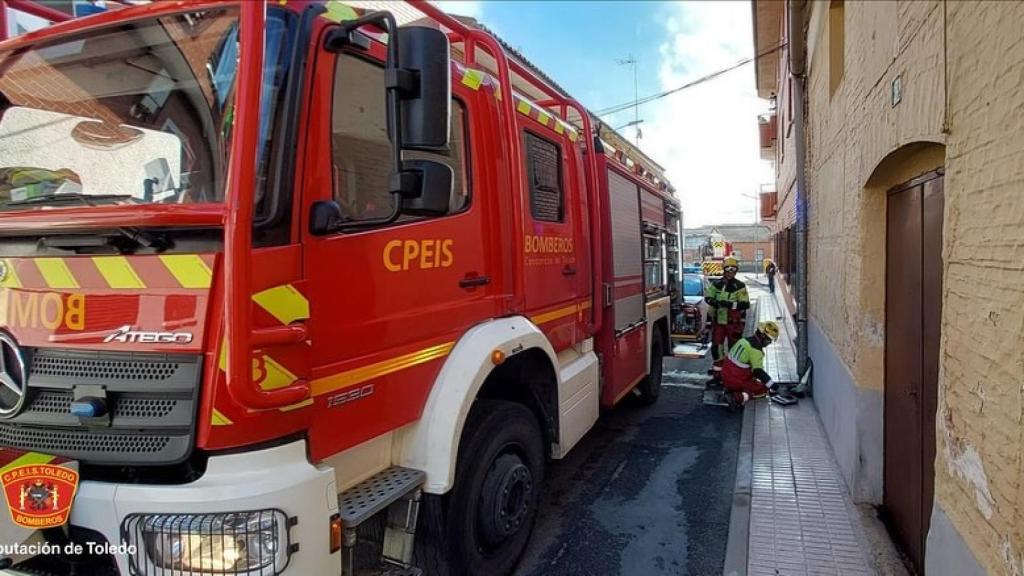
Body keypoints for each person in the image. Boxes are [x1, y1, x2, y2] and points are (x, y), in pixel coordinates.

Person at [705, 256, 750, 386]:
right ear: (724, 270)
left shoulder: (740, 286)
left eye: (733, 269)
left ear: (736, 271)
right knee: (716, 349)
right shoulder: (717, 284)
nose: (730, 272)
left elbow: (745, 304)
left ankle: (732, 377)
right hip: (719, 323)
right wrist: (714, 302)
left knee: (734, 352)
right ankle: (718, 376)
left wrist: (729, 305)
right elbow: (708, 297)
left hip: (733, 324)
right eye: (728, 269)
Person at [723, 321, 780, 409]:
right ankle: (737, 397)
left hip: (726, 375)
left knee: (754, 382)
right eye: (769, 340)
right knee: (762, 390)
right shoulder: (755, 350)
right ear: (762, 336)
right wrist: (773, 386)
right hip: (736, 379)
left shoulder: (744, 340)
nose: (770, 343)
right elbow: (758, 372)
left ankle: (731, 390)